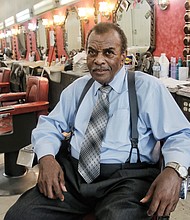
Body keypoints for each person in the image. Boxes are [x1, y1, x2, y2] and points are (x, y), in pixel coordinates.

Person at [4, 22, 190, 220]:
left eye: (109, 52)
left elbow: (180, 134)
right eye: (92, 52)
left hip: (127, 180)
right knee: (20, 215)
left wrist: (174, 170)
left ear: (123, 56)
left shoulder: (147, 88)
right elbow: (50, 125)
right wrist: (47, 158)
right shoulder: (78, 88)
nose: (98, 60)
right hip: (74, 176)